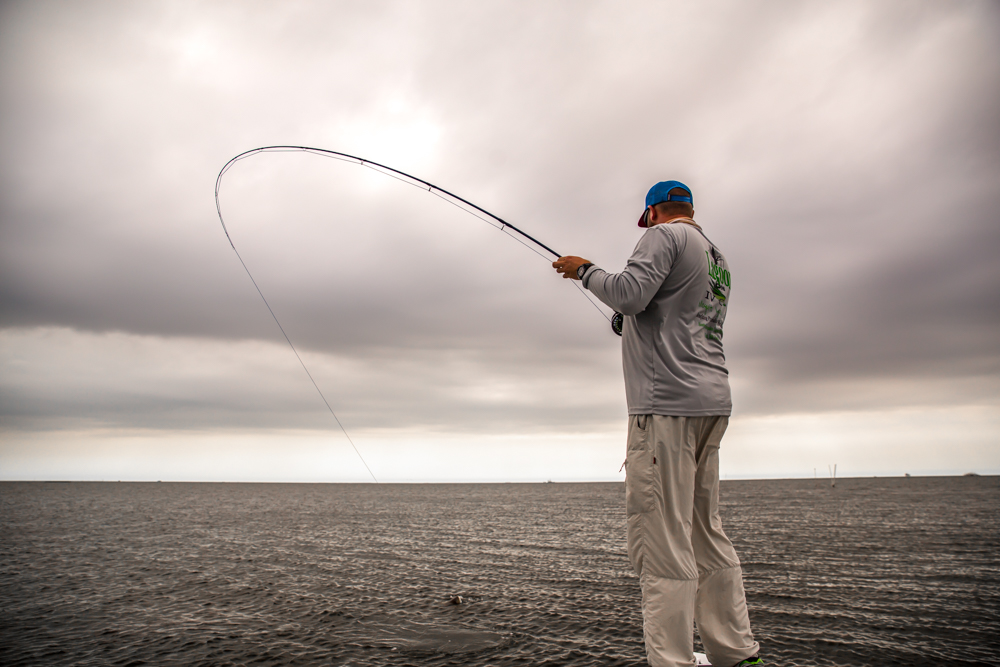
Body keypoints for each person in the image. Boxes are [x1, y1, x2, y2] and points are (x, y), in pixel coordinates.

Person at [552, 181, 761, 667]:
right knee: (706, 530)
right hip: (712, 401)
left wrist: (582, 270)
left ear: (652, 213)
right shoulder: (717, 256)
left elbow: (628, 293)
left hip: (665, 406)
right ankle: (736, 652)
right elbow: (668, 310)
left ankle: (671, 661)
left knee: (663, 539)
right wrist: (632, 322)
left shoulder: (662, 237)